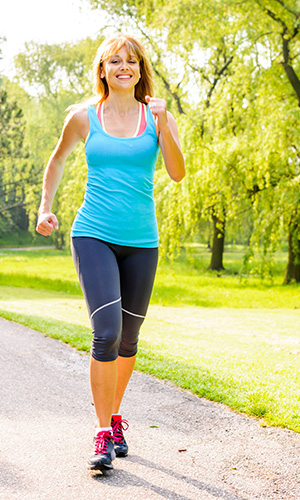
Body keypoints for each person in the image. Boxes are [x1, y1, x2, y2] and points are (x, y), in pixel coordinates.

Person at [36, 34, 185, 472]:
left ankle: (116, 416)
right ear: (102, 70)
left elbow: (176, 173)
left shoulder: (157, 116)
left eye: (132, 61)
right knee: (106, 332)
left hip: (142, 241)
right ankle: (103, 433)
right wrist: (46, 207)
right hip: (93, 234)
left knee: (129, 340)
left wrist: (166, 126)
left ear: (141, 70)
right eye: (114, 61)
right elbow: (58, 159)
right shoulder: (84, 117)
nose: (124, 67)